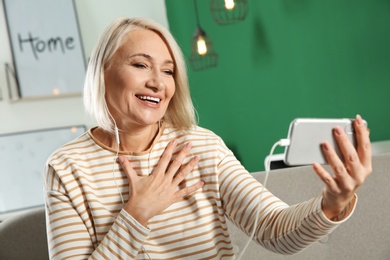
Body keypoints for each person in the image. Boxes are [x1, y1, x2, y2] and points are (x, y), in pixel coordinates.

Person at [44, 17, 372, 259]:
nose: (158, 83)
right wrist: (137, 213)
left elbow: (275, 230)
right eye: (141, 65)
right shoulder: (67, 167)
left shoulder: (201, 146)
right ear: (102, 71)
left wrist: (333, 203)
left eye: (169, 71)